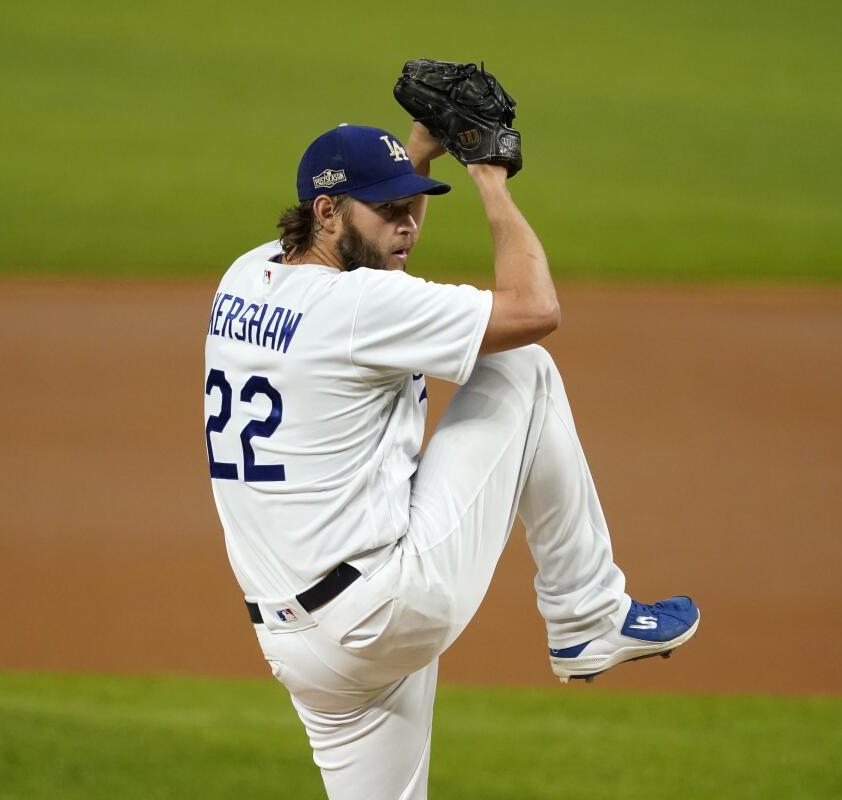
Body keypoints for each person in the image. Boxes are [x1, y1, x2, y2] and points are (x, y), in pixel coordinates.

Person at [203, 121, 699, 799]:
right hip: (384, 612)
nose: (407, 227)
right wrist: (489, 180)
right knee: (522, 367)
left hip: (301, 647)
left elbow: (360, 245)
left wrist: (414, 153)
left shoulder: (244, 278)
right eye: (389, 212)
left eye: (411, 206)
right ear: (327, 212)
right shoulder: (359, 306)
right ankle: (588, 618)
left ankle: (589, 618)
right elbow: (535, 309)